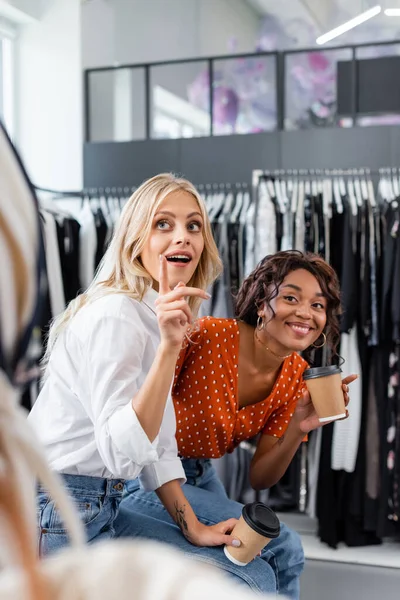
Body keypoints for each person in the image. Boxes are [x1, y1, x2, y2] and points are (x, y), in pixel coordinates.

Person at [29, 173, 244, 557]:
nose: (183, 236)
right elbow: (120, 450)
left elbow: (157, 446)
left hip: (96, 502)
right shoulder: (118, 315)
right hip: (59, 507)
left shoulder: (151, 314)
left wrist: (193, 528)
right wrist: (168, 348)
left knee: (253, 571)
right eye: (164, 224)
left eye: (194, 225)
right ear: (134, 242)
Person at [122, 250, 358, 599]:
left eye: (318, 305)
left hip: (200, 476)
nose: (306, 313)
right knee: (281, 550)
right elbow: (144, 422)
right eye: (291, 297)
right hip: (144, 473)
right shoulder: (206, 337)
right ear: (262, 303)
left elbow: (259, 477)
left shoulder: (295, 376)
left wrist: (299, 426)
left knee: (265, 554)